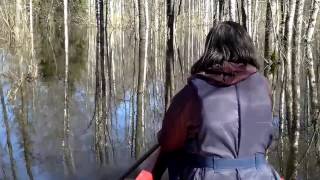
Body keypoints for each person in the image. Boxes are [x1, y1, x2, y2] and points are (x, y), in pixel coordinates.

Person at [152, 21, 281, 180]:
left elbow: (168, 141)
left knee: (174, 154)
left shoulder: (194, 92)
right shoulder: (263, 86)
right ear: (246, 48)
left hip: (208, 175)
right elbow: (267, 137)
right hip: (261, 175)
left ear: (210, 50)